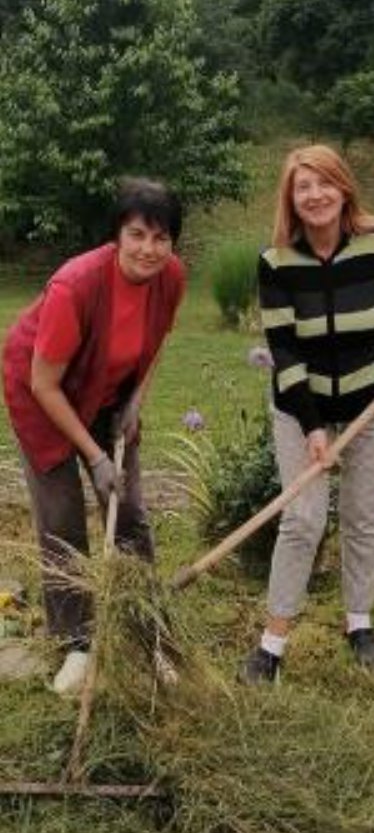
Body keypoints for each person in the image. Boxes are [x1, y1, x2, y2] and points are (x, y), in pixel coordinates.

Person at [240, 144, 374, 684]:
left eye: (324, 183)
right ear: (291, 199)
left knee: (362, 516)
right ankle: (272, 643)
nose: (315, 195)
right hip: (298, 407)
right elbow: (283, 352)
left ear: (343, 187)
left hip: (373, 406)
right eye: (302, 187)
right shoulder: (276, 262)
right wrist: (311, 427)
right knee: (302, 519)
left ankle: (359, 623)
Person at [2, 177, 186, 695]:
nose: (149, 250)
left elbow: (157, 342)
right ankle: (77, 646)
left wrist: (135, 402)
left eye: (161, 237)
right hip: (46, 398)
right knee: (62, 522)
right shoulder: (75, 285)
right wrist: (93, 456)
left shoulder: (171, 277)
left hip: (108, 396)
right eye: (137, 235)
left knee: (128, 517)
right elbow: (43, 382)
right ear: (116, 236)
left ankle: (145, 634)